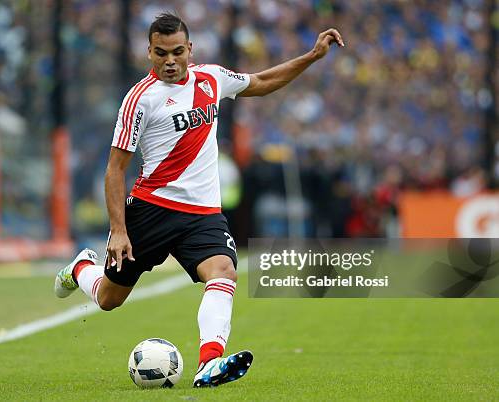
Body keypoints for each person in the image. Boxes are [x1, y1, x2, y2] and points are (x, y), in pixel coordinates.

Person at [55, 13, 344, 387]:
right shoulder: (138, 101)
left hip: (203, 214)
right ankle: (81, 267)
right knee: (109, 299)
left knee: (223, 272)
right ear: (149, 53)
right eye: (161, 53)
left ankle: (209, 362)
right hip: (151, 210)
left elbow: (263, 81)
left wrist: (312, 56)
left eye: (178, 52)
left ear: (190, 49)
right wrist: (118, 230)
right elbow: (115, 169)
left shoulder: (213, 79)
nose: (170, 61)